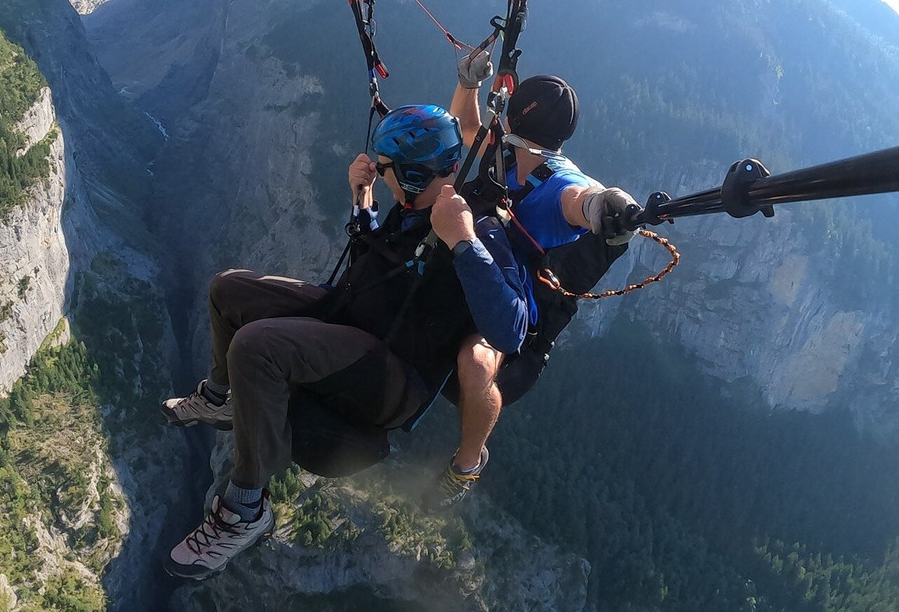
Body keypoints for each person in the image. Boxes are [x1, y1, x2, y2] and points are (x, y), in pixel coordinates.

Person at [159, 104, 530, 580]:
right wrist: (364, 201)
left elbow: (510, 331)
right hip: (351, 318)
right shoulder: (413, 207)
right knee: (228, 289)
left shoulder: (479, 228)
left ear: (415, 175)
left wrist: (463, 241)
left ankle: (245, 508)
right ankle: (218, 398)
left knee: (256, 346)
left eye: (385, 168)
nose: (378, 170)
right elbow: (381, 258)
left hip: (393, 375)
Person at [420, 52, 639, 509]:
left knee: (476, 365)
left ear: (515, 114)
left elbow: (579, 198)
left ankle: (467, 463)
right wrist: (468, 84)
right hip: (477, 273)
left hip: (518, 320)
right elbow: (467, 131)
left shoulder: (557, 183)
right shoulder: (504, 152)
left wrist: (603, 204)